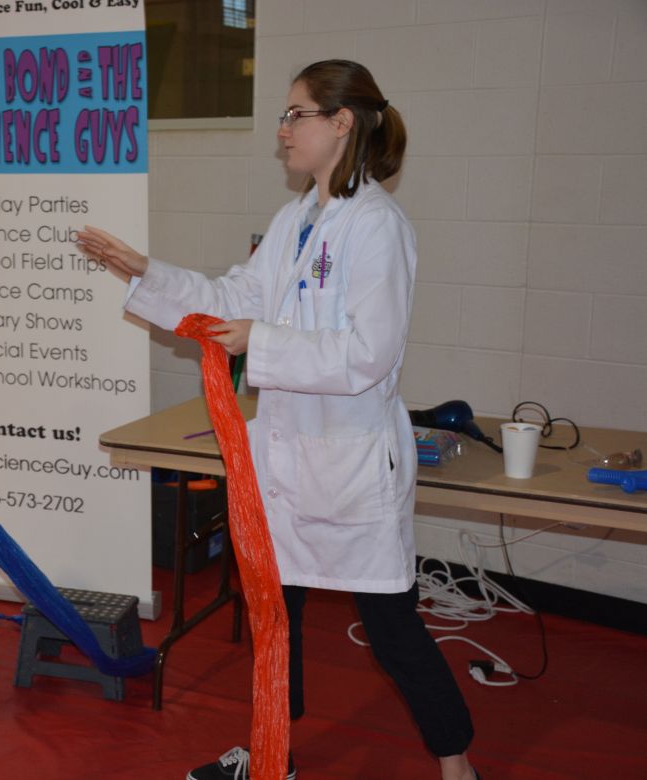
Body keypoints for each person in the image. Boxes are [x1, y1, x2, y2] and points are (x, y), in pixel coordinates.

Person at [78, 60, 479, 780]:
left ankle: (457, 766)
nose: (283, 130)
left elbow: (368, 353)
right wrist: (146, 271)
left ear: (342, 122)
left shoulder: (377, 226)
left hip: (352, 466)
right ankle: (272, 757)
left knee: (392, 631)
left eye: (296, 115)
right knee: (274, 620)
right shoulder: (296, 219)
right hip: (287, 464)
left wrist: (260, 342)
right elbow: (233, 298)